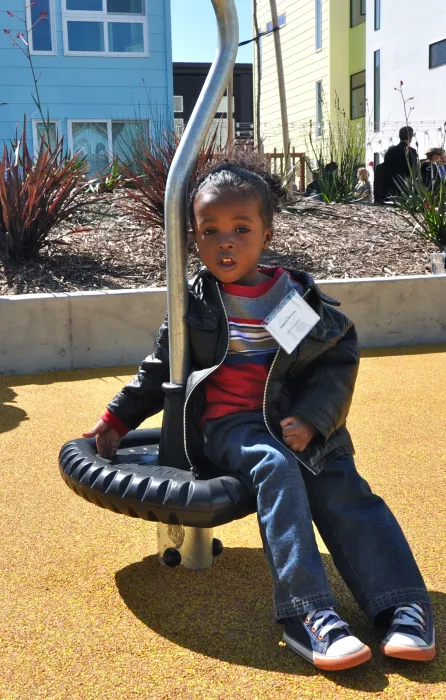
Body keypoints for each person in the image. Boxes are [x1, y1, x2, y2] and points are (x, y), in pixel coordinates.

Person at [84, 154, 435, 672]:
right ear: (194, 239)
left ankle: (401, 602)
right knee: (275, 468)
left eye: (240, 228)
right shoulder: (196, 303)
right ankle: (309, 613)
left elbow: (336, 356)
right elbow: (160, 369)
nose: (225, 241)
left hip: (294, 419)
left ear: (266, 235)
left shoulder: (292, 299)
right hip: (229, 427)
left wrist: (317, 418)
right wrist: (116, 421)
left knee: (340, 481)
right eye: (209, 231)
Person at [383, 126, 418, 199]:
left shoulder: (390, 152)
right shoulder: (411, 151)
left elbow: (385, 168)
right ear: (410, 137)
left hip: (390, 187)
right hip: (406, 188)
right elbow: (413, 170)